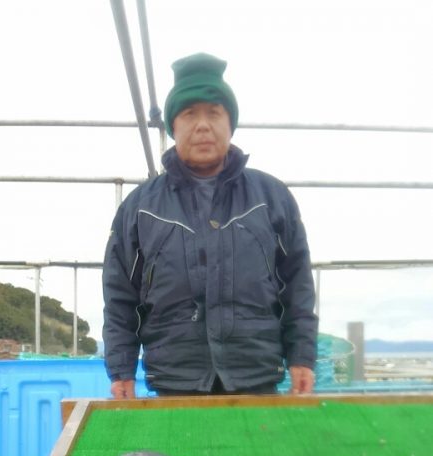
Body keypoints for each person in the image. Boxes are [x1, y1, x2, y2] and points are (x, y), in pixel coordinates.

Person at [103, 53, 318, 398]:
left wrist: (302, 355)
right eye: (189, 114)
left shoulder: (271, 196)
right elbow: (119, 296)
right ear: (173, 126)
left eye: (214, 113)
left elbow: (297, 285)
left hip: (256, 376)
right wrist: (121, 368)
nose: (203, 125)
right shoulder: (139, 207)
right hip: (175, 379)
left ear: (230, 124)